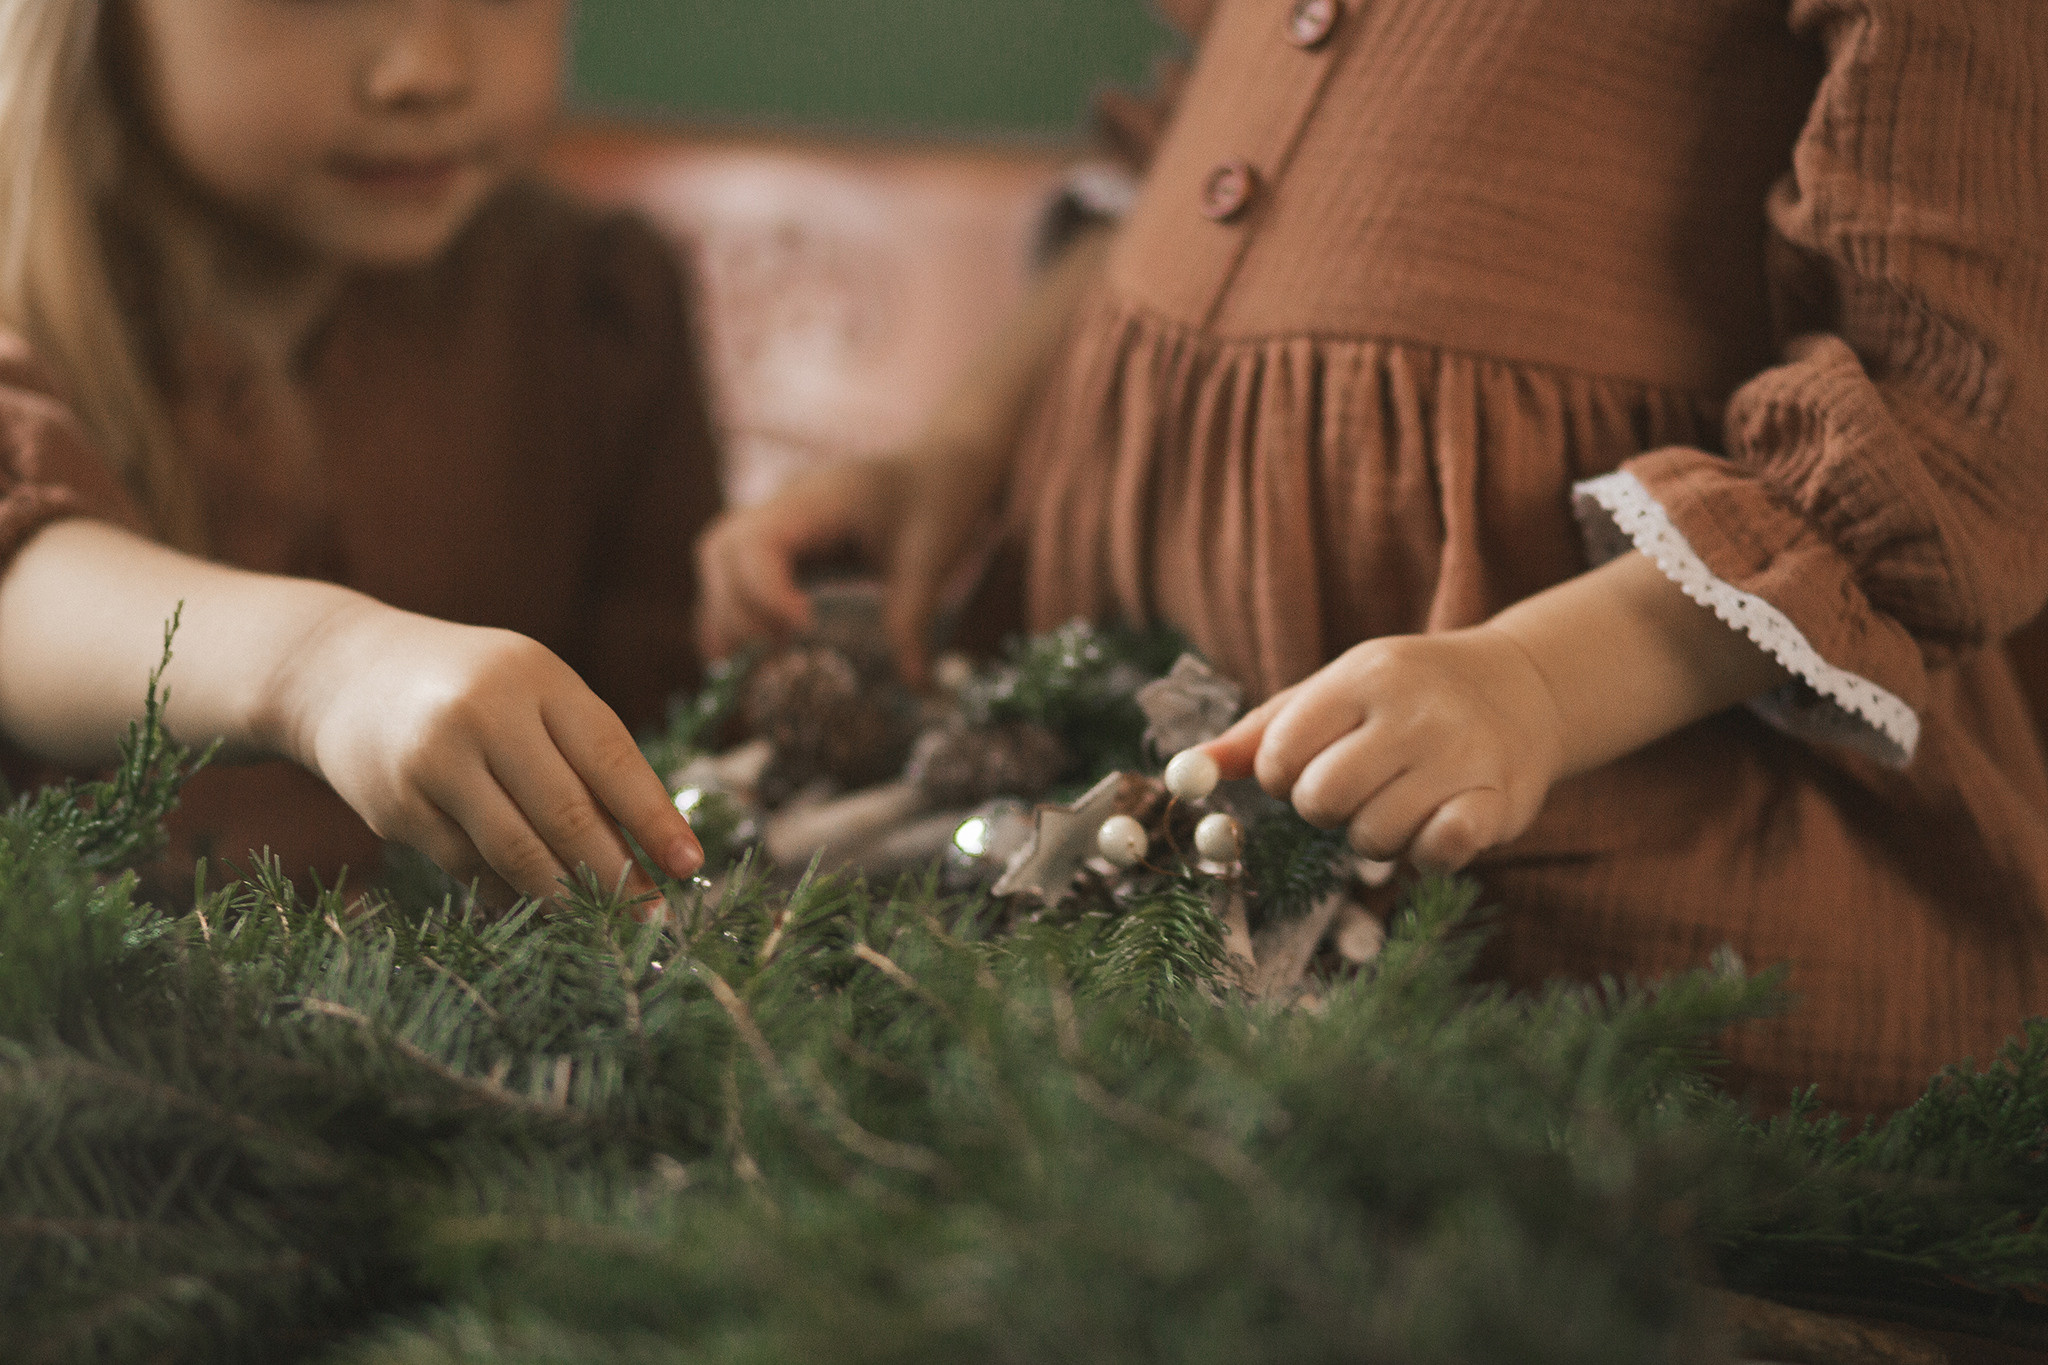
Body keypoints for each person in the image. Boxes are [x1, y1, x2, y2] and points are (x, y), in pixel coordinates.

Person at [696, 0, 2048, 1114]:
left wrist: (1533, 682)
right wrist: (961, 448)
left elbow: (1953, 416)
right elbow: (1180, 146)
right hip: (1138, 923)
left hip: (1607, 968)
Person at [0, 0, 709, 909]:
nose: (427, 71)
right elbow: (25, 581)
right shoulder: (29, 307)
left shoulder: (597, 310)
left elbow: (682, 734)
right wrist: (325, 665)